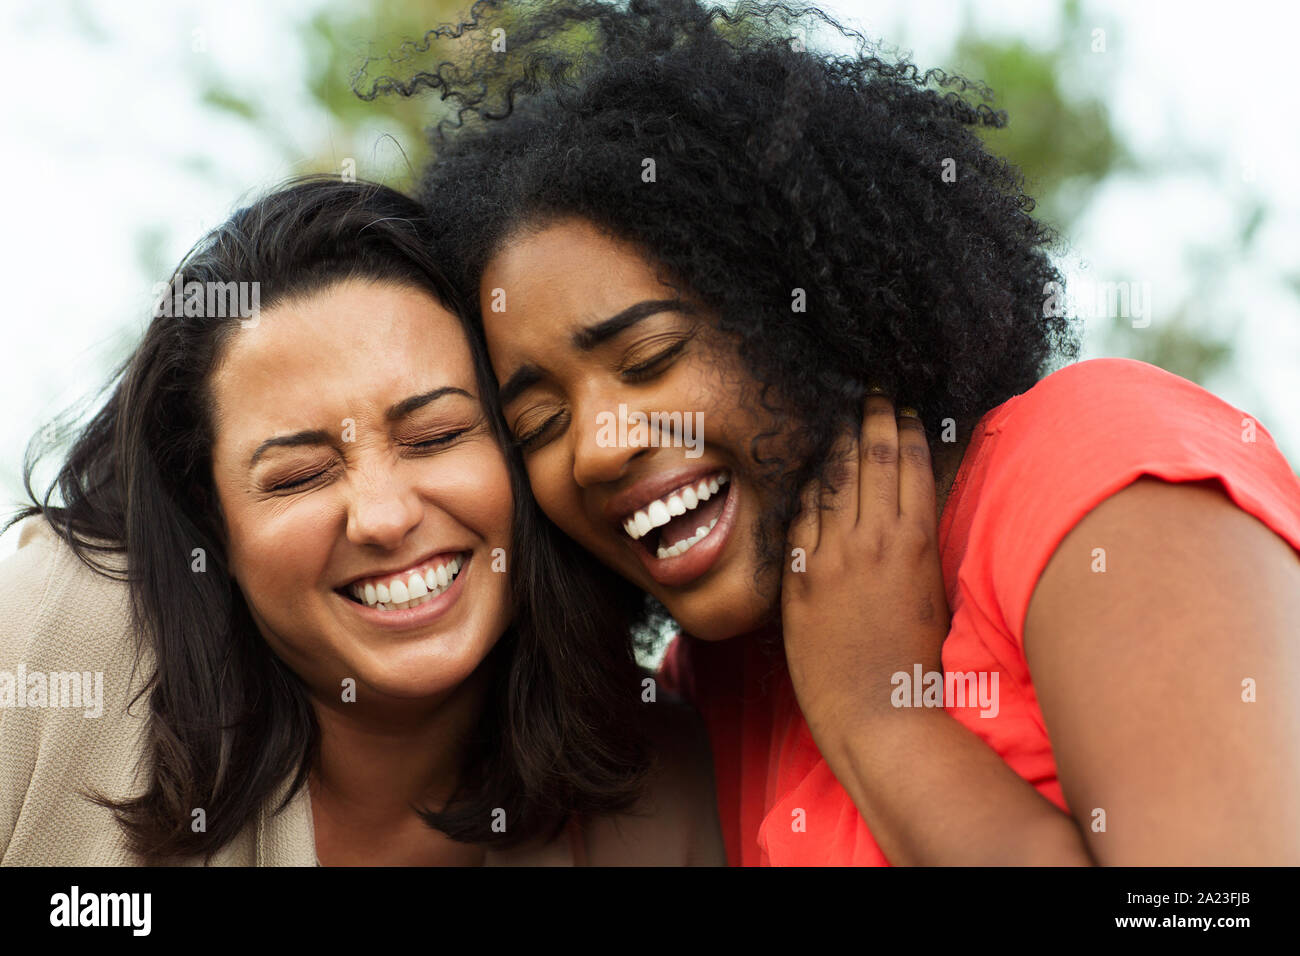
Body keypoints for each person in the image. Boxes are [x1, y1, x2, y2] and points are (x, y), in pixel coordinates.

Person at [412, 0, 1300, 864]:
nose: (601, 445)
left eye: (649, 357)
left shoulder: (1099, 469)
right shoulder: (717, 685)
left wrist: (883, 717)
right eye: (539, 423)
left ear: (803, 313)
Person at [0, 177, 724, 866]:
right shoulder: (51, 640)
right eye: (299, 476)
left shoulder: (658, 781)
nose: (383, 517)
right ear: (211, 523)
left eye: (437, 436)